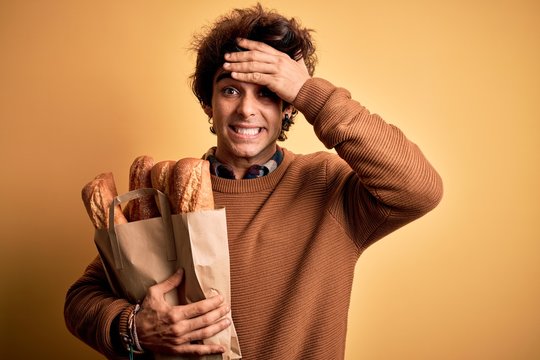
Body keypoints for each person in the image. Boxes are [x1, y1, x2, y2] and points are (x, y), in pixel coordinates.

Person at [64, 3, 443, 359]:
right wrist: (135, 328)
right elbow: (82, 298)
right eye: (231, 90)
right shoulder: (167, 192)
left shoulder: (328, 186)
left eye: (267, 92)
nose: (247, 109)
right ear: (208, 104)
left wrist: (311, 92)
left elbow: (419, 188)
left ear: (288, 105)